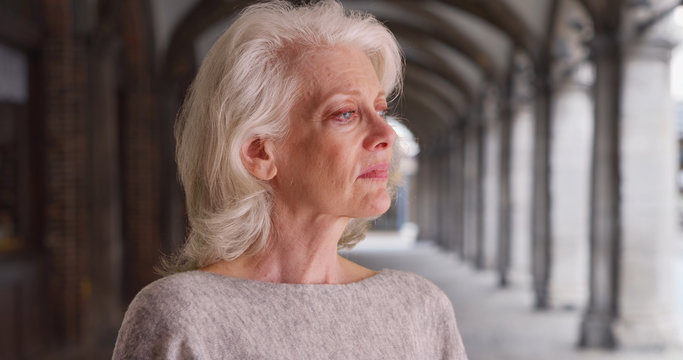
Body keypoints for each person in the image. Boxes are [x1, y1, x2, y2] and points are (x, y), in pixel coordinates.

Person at [113, 1, 468, 359]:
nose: (386, 135)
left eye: (380, 110)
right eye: (345, 113)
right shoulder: (182, 317)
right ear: (259, 153)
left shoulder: (420, 308)